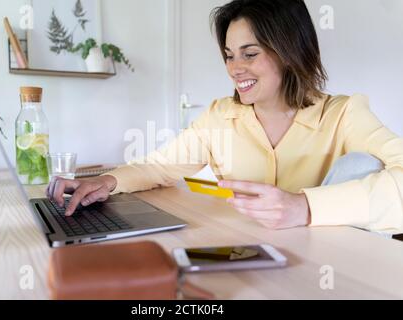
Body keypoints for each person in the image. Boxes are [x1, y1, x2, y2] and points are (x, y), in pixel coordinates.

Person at [46, 0, 403, 234]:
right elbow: (159, 167)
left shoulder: (343, 113)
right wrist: (106, 182)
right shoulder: (220, 116)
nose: (235, 68)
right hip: (246, 261)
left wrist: (305, 207)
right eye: (230, 55)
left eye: (249, 54)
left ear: (290, 53)